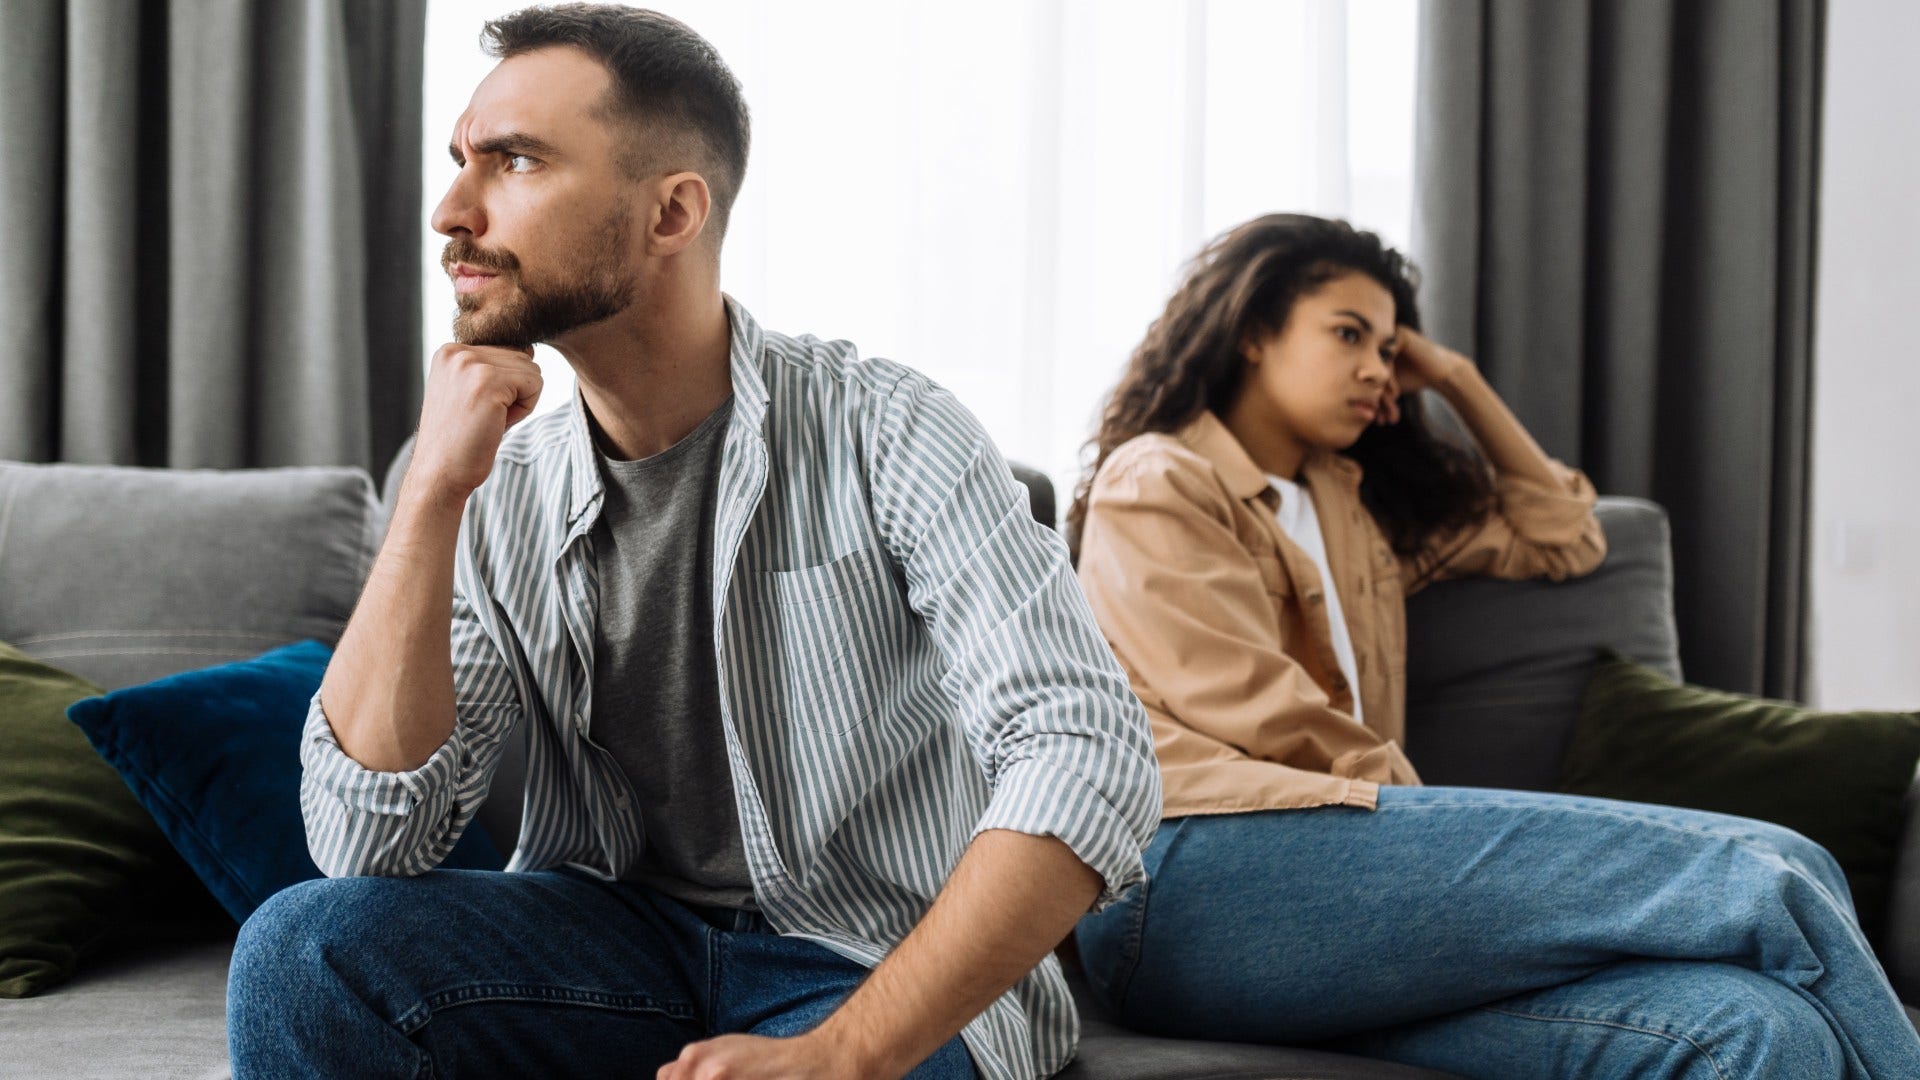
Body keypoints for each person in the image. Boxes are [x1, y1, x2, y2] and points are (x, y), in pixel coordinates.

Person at [224, 7, 1159, 1079]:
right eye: (460, 164)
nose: (451, 211)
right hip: (610, 944)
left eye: (514, 161)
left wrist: (841, 1055)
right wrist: (431, 497)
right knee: (303, 953)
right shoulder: (497, 481)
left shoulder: (888, 429)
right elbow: (368, 846)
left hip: (861, 956)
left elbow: (1084, 748)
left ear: (672, 211)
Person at [1068, 213, 1920, 1080]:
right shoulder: (1158, 478)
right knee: (1776, 870)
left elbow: (1566, 536)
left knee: (1759, 1030)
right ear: (1253, 332)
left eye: (1392, 348)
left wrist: (1458, 378)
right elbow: (1251, 704)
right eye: (1349, 334)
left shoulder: (1356, 518)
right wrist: (1427, 825)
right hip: (1193, 880)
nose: (1376, 367)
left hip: (1340, 925)